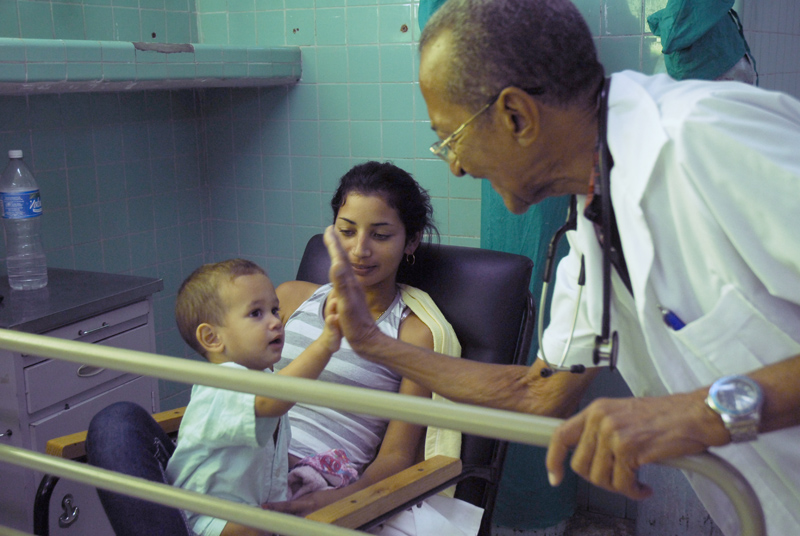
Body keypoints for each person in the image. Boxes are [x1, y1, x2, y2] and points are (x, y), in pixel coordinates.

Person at [318, 1, 800, 535]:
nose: (454, 166)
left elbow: (698, 409)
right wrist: (372, 343)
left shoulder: (704, 137)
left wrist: (701, 414)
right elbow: (538, 392)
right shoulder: (592, 222)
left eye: (451, 138)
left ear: (516, 116)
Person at [267, 161, 482, 535]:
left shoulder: (414, 336)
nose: (359, 249)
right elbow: (235, 386)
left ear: (410, 241)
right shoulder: (289, 298)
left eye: (380, 235)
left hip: (319, 477)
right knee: (128, 427)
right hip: (253, 452)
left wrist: (342, 502)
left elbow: (397, 455)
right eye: (347, 231)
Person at [164, 258, 340, 536]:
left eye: (274, 309)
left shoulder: (263, 381)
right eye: (256, 314)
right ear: (212, 338)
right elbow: (276, 399)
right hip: (205, 515)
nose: (275, 321)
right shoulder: (222, 383)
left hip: (253, 507)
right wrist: (325, 344)